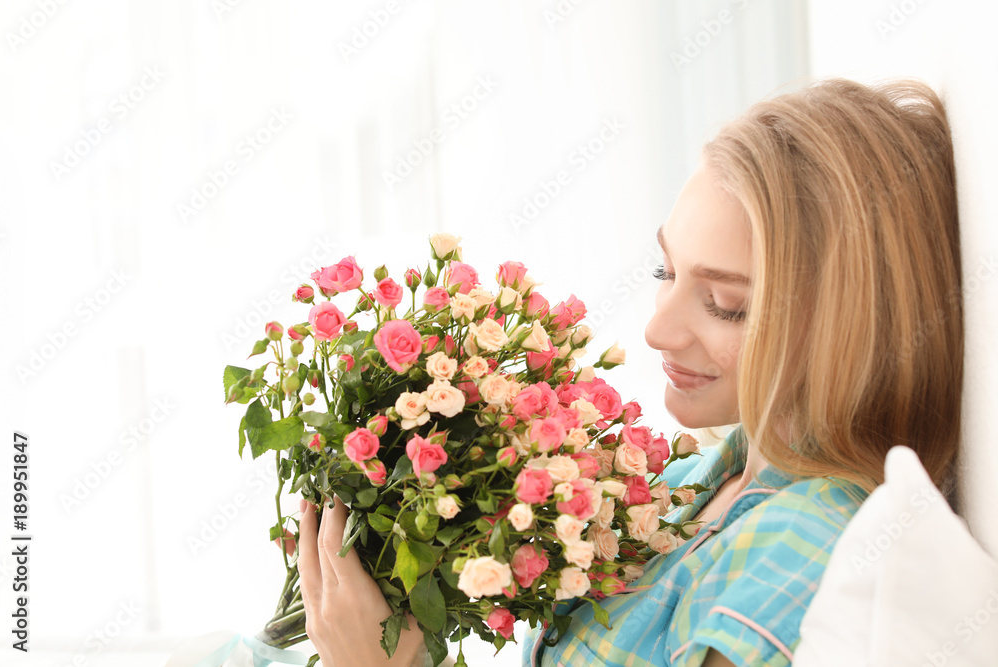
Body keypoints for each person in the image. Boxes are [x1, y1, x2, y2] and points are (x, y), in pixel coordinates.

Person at [295, 77, 964, 667]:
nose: (656, 330)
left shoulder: (800, 544)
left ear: (847, 329)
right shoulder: (692, 481)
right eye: (664, 272)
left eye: (723, 304)